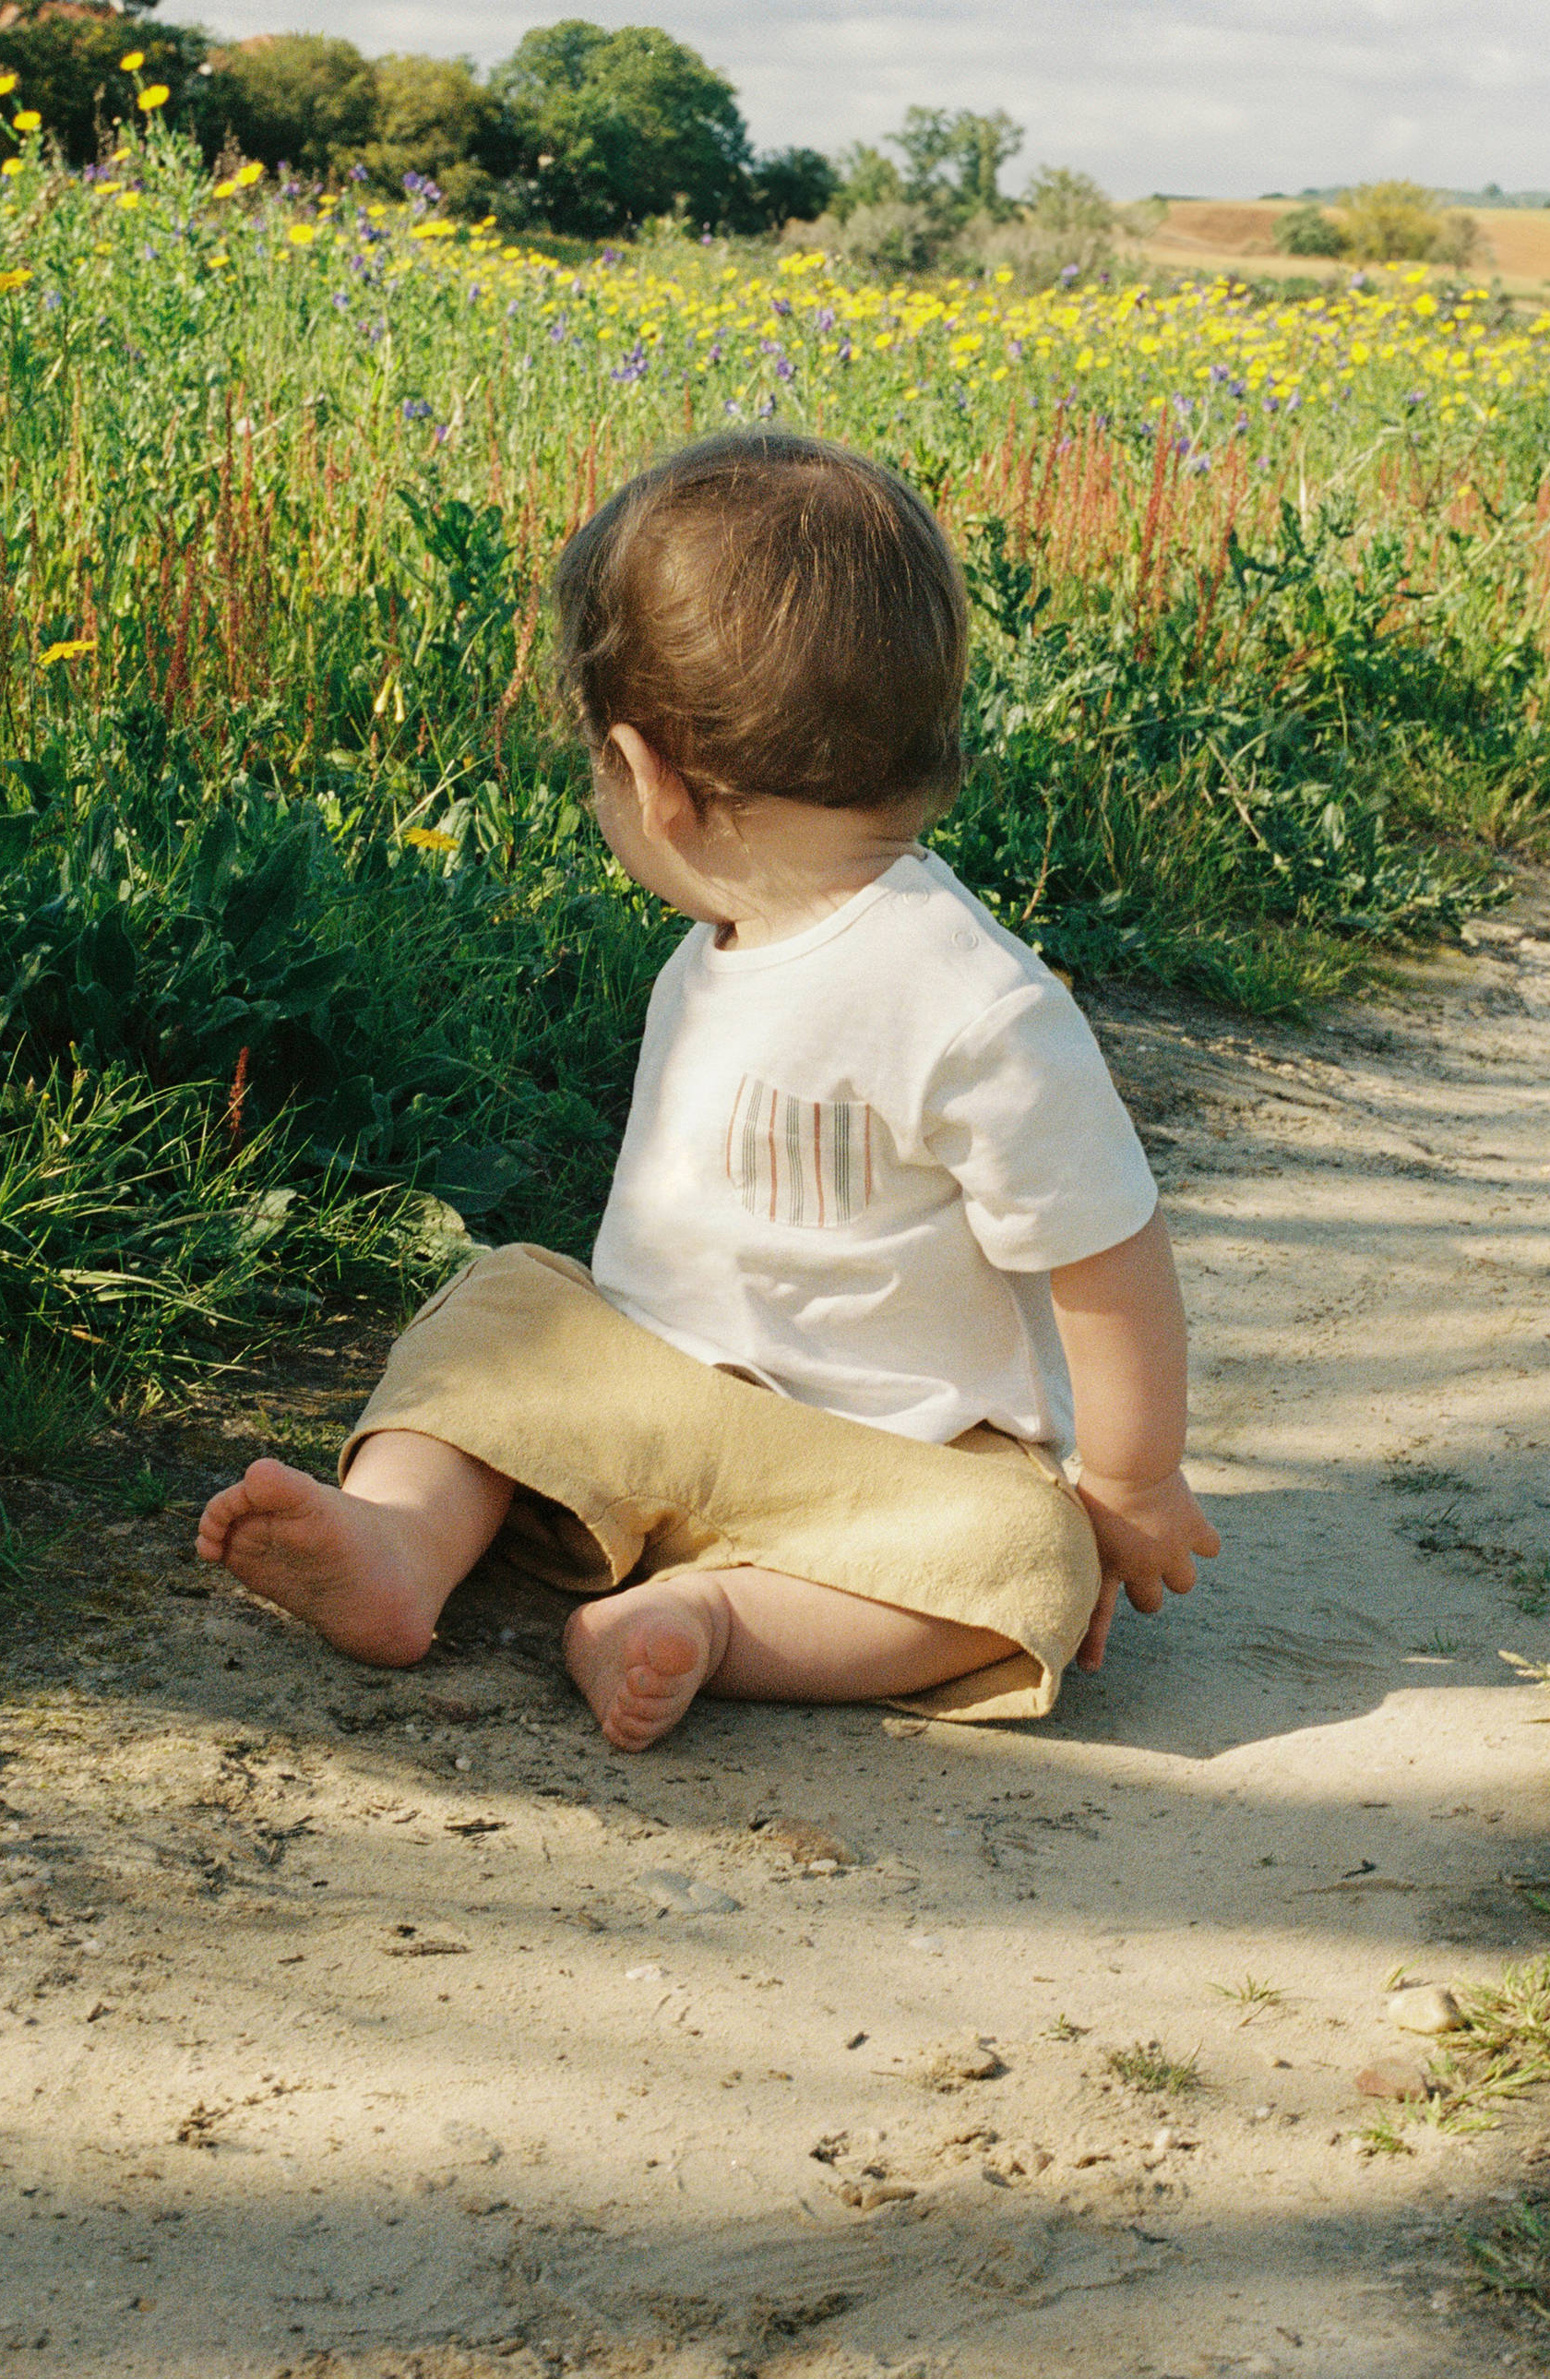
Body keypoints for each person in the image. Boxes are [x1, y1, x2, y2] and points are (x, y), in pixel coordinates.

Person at [197, 429, 1217, 1751]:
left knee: (1028, 1549)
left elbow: (1108, 1247)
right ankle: (401, 1543)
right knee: (504, 1302)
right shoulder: (727, 942)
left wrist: (1129, 1479)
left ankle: (719, 1619)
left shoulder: (976, 1002)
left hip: (884, 1469)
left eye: (596, 771)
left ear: (652, 778)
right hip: (657, 1401)